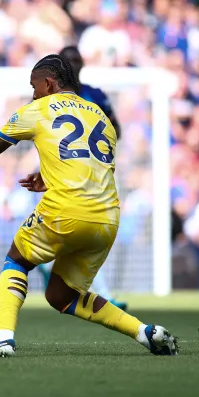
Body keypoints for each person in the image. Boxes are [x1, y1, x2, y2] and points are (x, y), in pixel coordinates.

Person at [0, 54, 178, 358]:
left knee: (17, 259)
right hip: (106, 220)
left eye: (34, 87)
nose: (32, 93)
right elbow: (90, 163)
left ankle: (3, 338)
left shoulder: (37, 108)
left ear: (48, 84)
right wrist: (48, 178)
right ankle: (143, 333)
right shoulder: (100, 115)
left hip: (66, 210)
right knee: (61, 295)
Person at [56, 45, 127, 311]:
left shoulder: (95, 95)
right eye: (68, 60)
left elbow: (116, 129)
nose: (73, 64)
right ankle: (99, 293)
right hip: (60, 175)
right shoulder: (46, 97)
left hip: (94, 174)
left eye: (77, 60)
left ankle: (99, 291)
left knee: (88, 234)